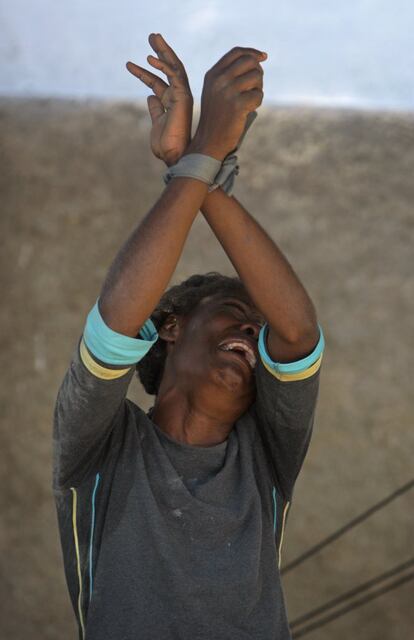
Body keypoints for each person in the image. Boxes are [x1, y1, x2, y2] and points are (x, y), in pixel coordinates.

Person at [52, 33, 325, 640]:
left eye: (257, 325)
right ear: (170, 326)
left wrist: (198, 162)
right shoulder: (99, 447)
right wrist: (204, 156)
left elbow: (297, 331)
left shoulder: (267, 456)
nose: (253, 329)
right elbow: (118, 321)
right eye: (234, 311)